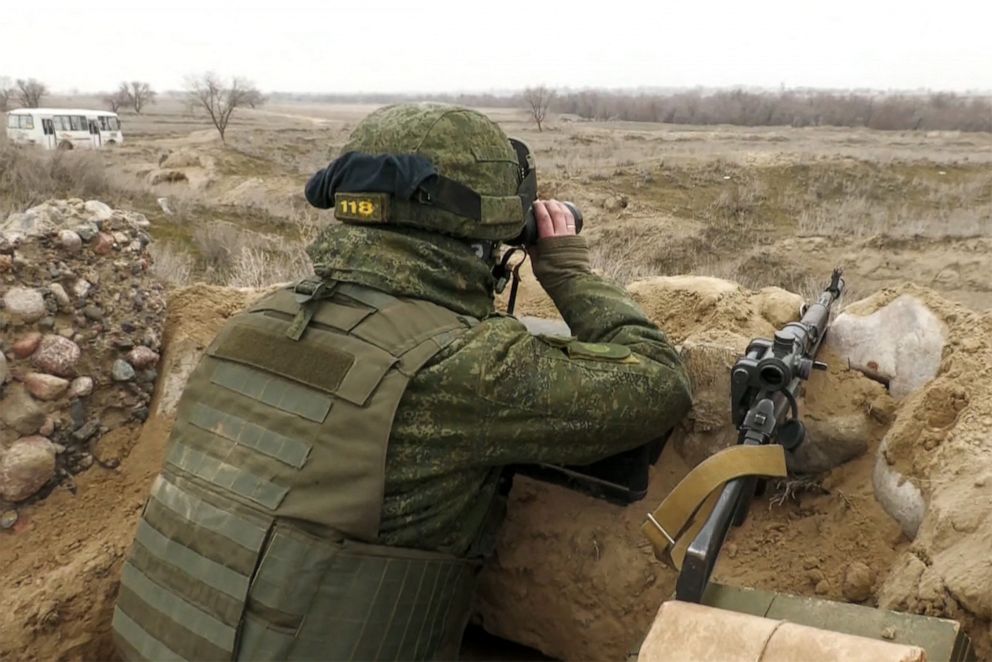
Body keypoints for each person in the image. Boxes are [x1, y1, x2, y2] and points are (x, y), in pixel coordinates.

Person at [111, 102, 691, 661]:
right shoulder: (463, 366)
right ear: (489, 222)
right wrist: (565, 267)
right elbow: (662, 383)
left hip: (150, 638)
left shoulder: (255, 322)